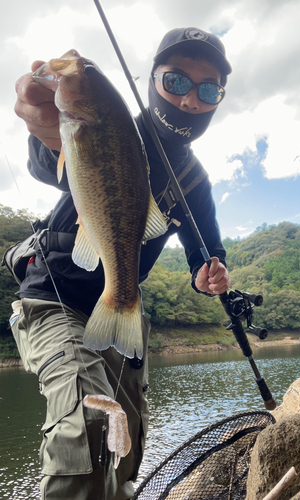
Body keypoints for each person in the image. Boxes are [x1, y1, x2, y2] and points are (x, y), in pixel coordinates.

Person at [12, 27, 231, 499]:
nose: (190, 98)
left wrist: (210, 272)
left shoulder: (193, 180)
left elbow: (205, 248)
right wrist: (47, 129)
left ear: (217, 100)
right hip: (56, 298)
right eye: (176, 81)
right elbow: (45, 154)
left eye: (208, 89)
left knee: (124, 446)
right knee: (88, 428)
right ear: (151, 79)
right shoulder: (114, 127)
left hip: (122, 306)